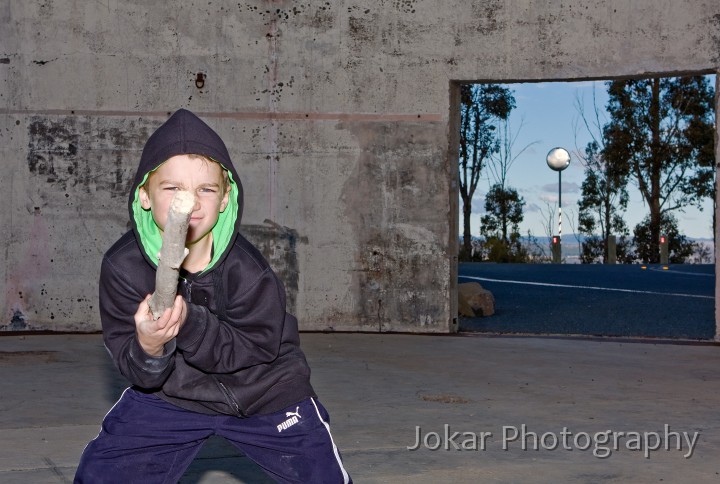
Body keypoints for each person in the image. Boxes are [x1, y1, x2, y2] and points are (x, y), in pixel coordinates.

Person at [75, 109, 351, 483]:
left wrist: (188, 323)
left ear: (224, 200)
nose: (189, 203)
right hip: (172, 395)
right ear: (144, 195)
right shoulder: (122, 267)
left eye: (206, 189)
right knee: (102, 474)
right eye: (172, 189)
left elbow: (252, 350)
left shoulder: (251, 272)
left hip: (266, 394)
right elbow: (134, 366)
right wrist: (150, 347)